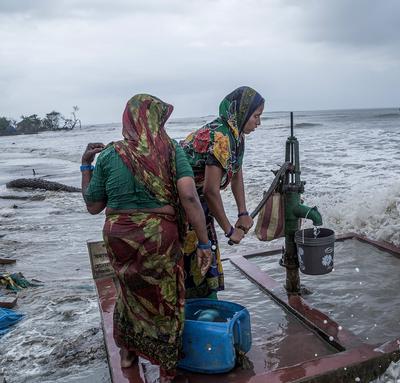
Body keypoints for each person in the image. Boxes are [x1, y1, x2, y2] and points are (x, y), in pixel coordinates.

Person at [81, 94, 212, 381]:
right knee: (165, 299)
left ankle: (128, 353)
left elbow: (93, 206)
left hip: (118, 236)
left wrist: (85, 166)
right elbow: (189, 196)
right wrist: (204, 242)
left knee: (129, 294)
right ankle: (166, 368)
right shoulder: (171, 150)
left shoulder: (110, 154)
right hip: (159, 238)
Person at [181, 86, 264, 298]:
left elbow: (236, 174)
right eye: (256, 116)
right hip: (185, 204)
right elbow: (210, 191)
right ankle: (196, 310)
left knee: (204, 259)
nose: (259, 122)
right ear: (242, 112)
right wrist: (229, 230)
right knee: (195, 260)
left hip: (199, 203)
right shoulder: (220, 137)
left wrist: (243, 213)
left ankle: (203, 304)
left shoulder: (236, 135)